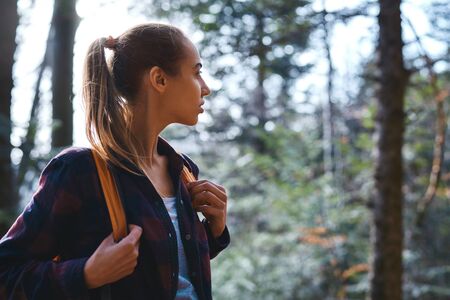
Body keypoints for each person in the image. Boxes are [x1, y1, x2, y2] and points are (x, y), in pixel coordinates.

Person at [0, 23, 230, 300]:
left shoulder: (183, 171)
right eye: (197, 73)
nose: (206, 88)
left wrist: (214, 232)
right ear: (159, 79)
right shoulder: (79, 171)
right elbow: (6, 272)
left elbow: (171, 273)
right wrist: (86, 273)